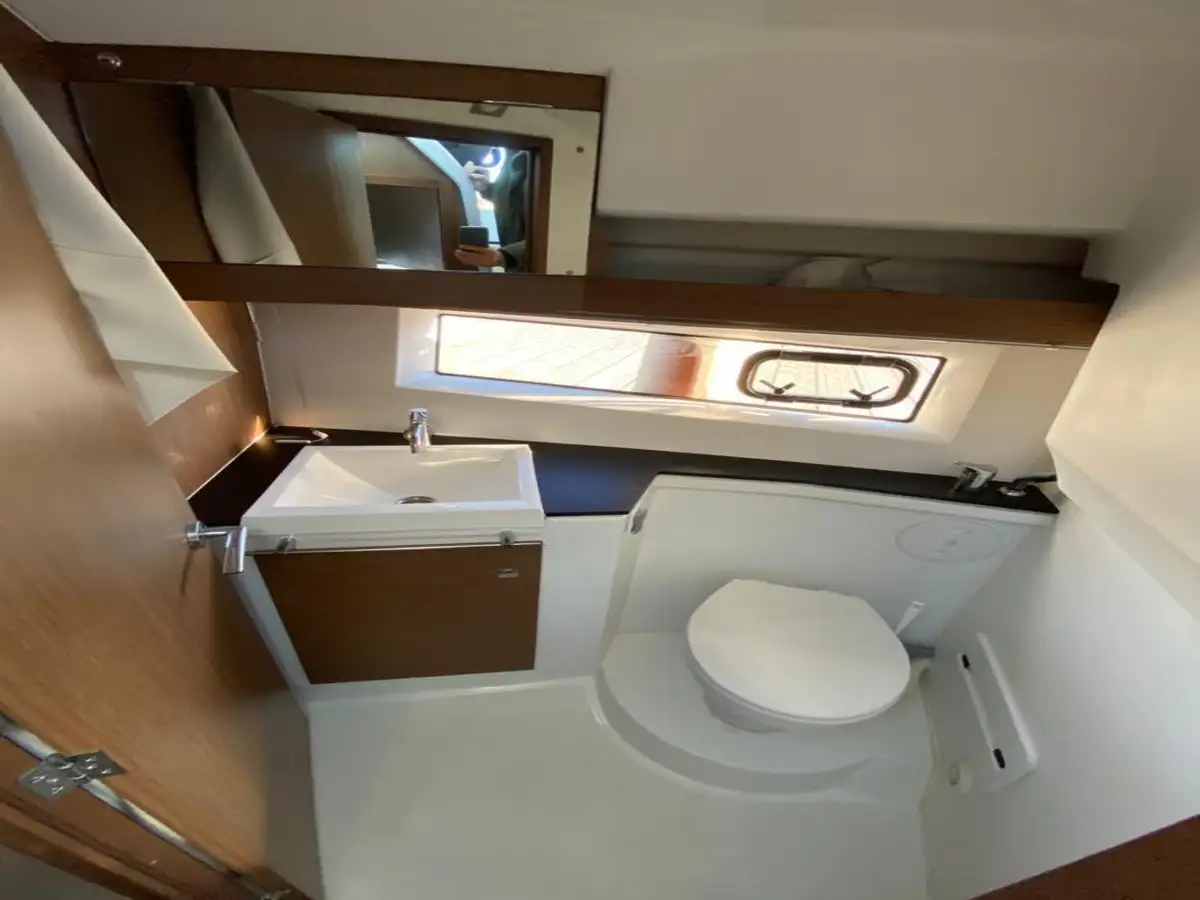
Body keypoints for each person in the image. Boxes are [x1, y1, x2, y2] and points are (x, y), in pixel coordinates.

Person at [455, 149, 529, 272]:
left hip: (536, 269)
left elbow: (552, 234)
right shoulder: (512, 151)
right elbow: (517, 201)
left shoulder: (540, 154)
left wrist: (503, 256)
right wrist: (488, 189)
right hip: (516, 269)